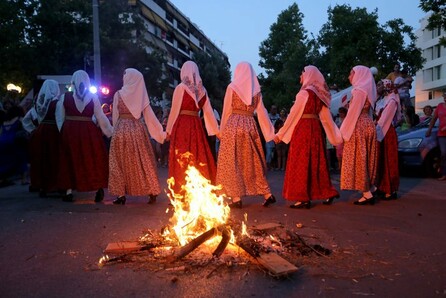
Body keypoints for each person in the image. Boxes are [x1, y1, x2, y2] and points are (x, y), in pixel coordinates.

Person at [275, 65, 342, 209]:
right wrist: (336, 136)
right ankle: (327, 192)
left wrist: (280, 134)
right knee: (317, 162)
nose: (301, 76)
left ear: (308, 75)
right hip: (316, 130)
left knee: (301, 161)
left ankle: (302, 197)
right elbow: (326, 119)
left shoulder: (303, 94)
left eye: (302, 73)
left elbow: (293, 115)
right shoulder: (319, 95)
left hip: (303, 130)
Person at [216, 61, 276, 208]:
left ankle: (236, 198)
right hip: (250, 126)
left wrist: (221, 131)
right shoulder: (256, 91)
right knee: (252, 162)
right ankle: (267, 194)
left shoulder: (232, 87)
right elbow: (262, 113)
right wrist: (270, 134)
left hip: (233, 126)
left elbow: (226, 110)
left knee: (232, 162)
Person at [108, 68, 166, 205]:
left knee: (119, 162)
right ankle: (152, 191)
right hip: (137, 130)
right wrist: (161, 133)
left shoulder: (118, 94)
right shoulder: (141, 97)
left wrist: (114, 131)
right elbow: (150, 116)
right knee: (143, 161)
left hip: (121, 130)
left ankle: (121, 194)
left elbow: (115, 116)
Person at [56, 70, 113, 202]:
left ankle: (68, 191)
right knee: (92, 158)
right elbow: (100, 117)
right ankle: (98, 188)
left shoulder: (65, 97)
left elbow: (60, 117)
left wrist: (63, 131)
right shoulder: (93, 97)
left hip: (71, 131)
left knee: (70, 159)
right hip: (89, 132)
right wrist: (109, 131)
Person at [165, 61, 219, 194]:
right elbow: (208, 112)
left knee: (181, 156)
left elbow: (174, 110)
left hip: (182, 125)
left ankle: (180, 190)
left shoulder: (180, 88)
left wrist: (168, 130)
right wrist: (217, 131)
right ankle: (198, 190)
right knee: (197, 155)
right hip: (196, 126)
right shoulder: (202, 90)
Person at [340, 65, 378, 205]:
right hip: (368, 124)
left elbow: (352, 114)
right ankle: (370, 187)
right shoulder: (366, 90)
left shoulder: (359, 91)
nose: (349, 76)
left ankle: (366, 192)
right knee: (366, 157)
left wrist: (342, 132)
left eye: (352, 73)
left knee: (359, 158)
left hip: (359, 126)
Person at [22, 79, 61, 197]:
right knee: (53, 159)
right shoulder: (56, 102)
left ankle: (41, 186)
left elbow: (26, 119)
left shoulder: (39, 102)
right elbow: (60, 118)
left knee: (41, 159)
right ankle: (53, 185)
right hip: (53, 131)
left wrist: (32, 130)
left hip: (40, 132)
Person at [374, 79, 401, 200]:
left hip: (387, 132)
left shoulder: (392, 100)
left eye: (380, 85)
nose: (377, 86)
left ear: (386, 86)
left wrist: (375, 130)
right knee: (381, 160)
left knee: (389, 160)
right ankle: (381, 186)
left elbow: (385, 118)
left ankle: (390, 189)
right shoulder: (382, 100)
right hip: (381, 131)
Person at [426, 92, 446, 181]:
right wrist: (429, 129)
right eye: (444, 96)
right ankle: (444, 174)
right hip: (441, 134)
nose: (445, 97)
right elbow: (434, 118)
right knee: (443, 153)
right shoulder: (440, 106)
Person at [266, 105, 279, 170]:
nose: (274, 110)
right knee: (269, 151)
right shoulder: (267, 116)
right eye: (273, 109)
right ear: (270, 109)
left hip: (276, 135)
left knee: (275, 151)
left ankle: (273, 165)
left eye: (275, 109)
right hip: (269, 135)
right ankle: (267, 164)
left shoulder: (278, 116)